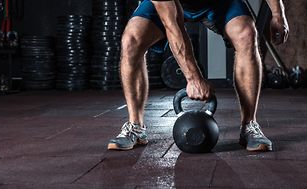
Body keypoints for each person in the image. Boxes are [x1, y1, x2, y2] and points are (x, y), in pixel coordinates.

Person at [107, 0, 289, 151]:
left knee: (247, 34)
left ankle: (249, 126)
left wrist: (278, 14)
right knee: (131, 40)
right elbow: (173, 26)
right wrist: (193, 78)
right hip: (170, 5)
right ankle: (136, 127)